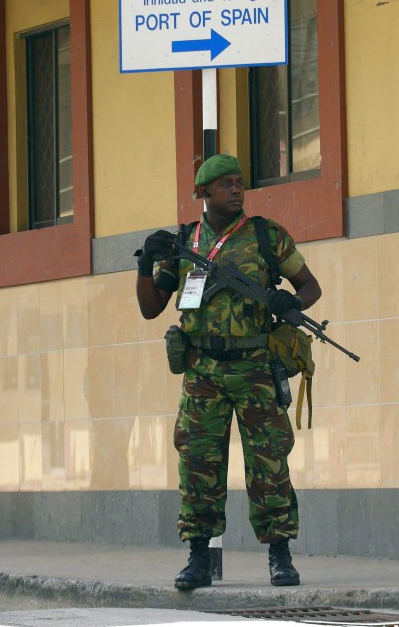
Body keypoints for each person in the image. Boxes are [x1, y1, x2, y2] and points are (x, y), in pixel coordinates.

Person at [136, 153, 322, 590]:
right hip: (202, 371)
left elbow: (310, 287)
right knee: (198, 463)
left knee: (269, 462)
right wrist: (146, 263)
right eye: (226, 185)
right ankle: (198, 557)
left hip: (255, 366)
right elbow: (149, 307)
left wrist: (289, 303)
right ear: (203, 193)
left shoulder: (265, 237)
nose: (237, 190)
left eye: (240, 183)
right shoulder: (184, 243)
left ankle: (280, 555)